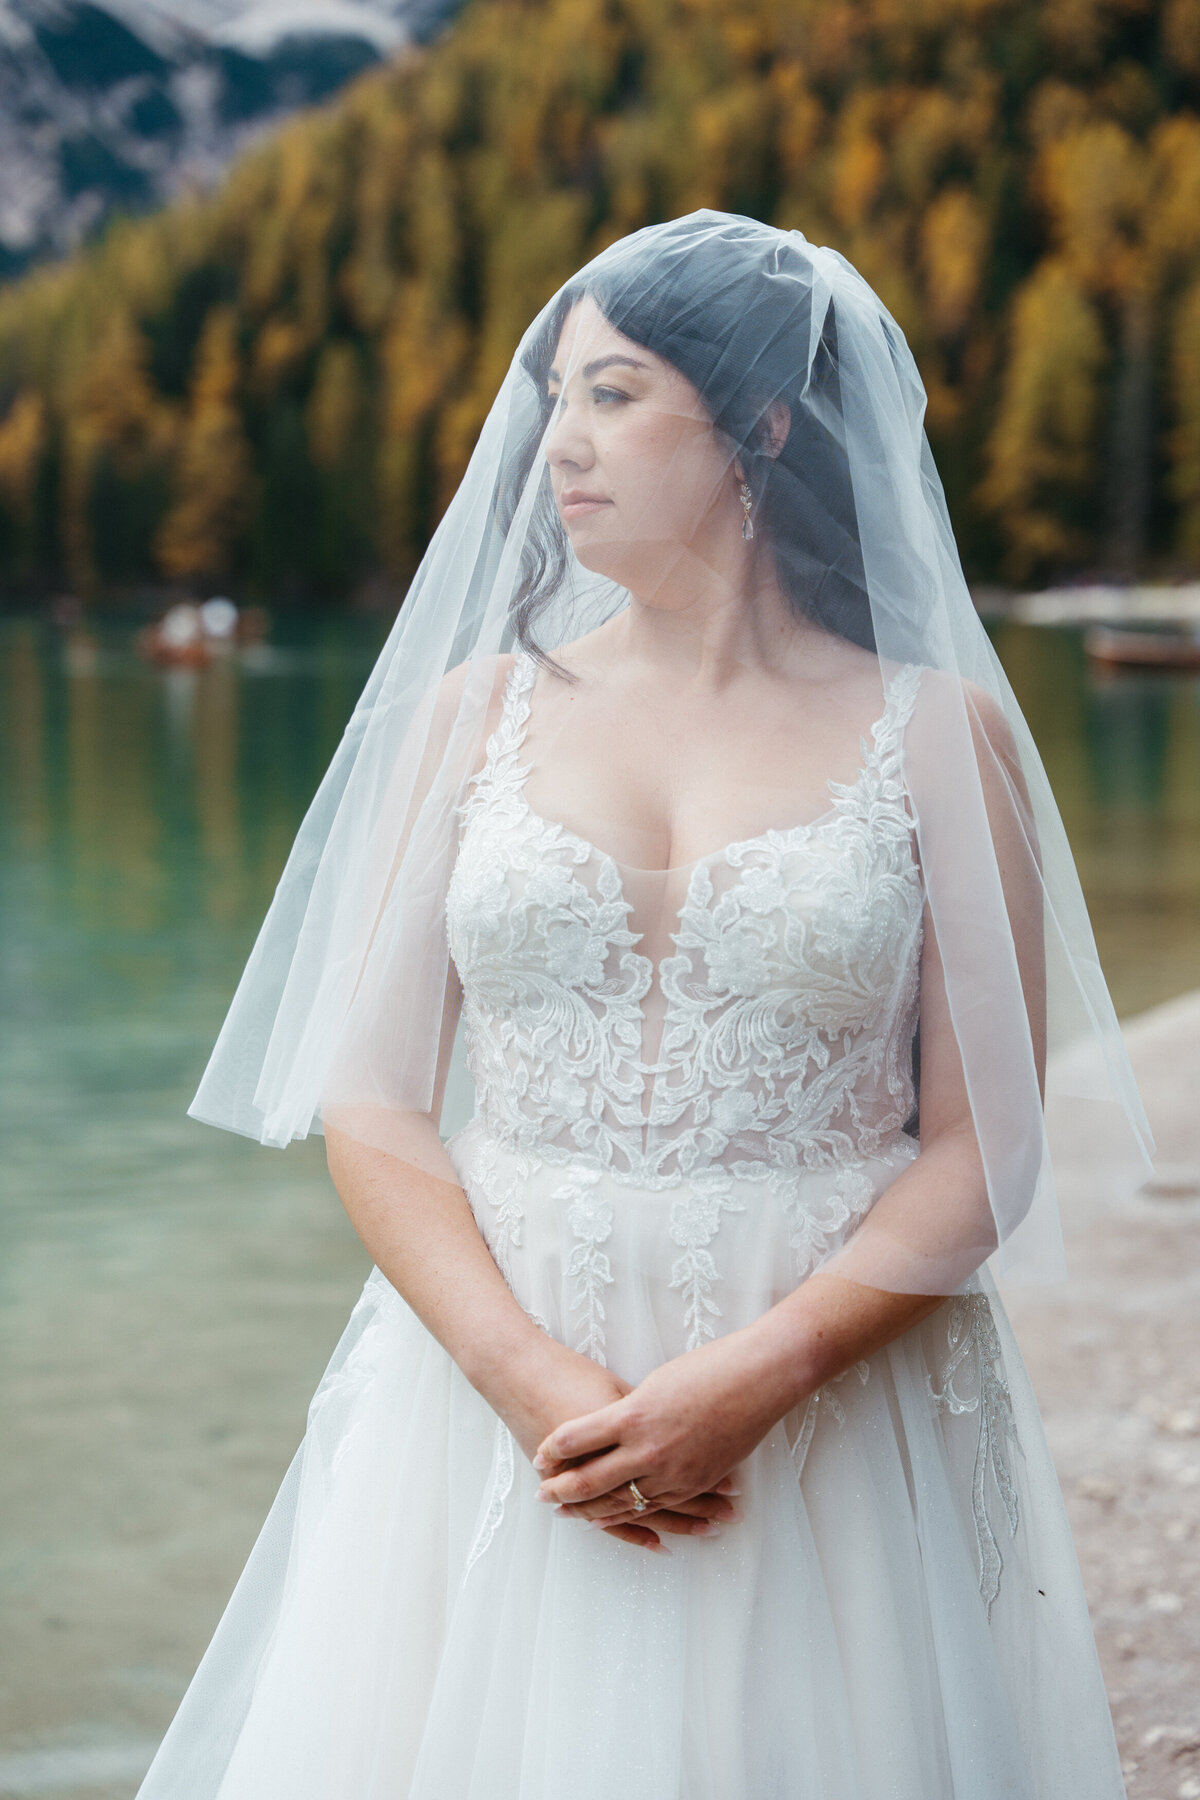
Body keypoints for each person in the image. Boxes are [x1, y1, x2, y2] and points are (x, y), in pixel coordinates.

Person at [136, 212, 1153, 1798]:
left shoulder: (939, 733)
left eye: (614, 395)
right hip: (497, 1385)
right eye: (555, 396)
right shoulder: (472, 717)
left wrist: (766, 1373)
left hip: (830, 1395)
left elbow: (989, 1141)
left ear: (758, 425)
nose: (560, 442)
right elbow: (378, 1099)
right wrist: (523, 1375)